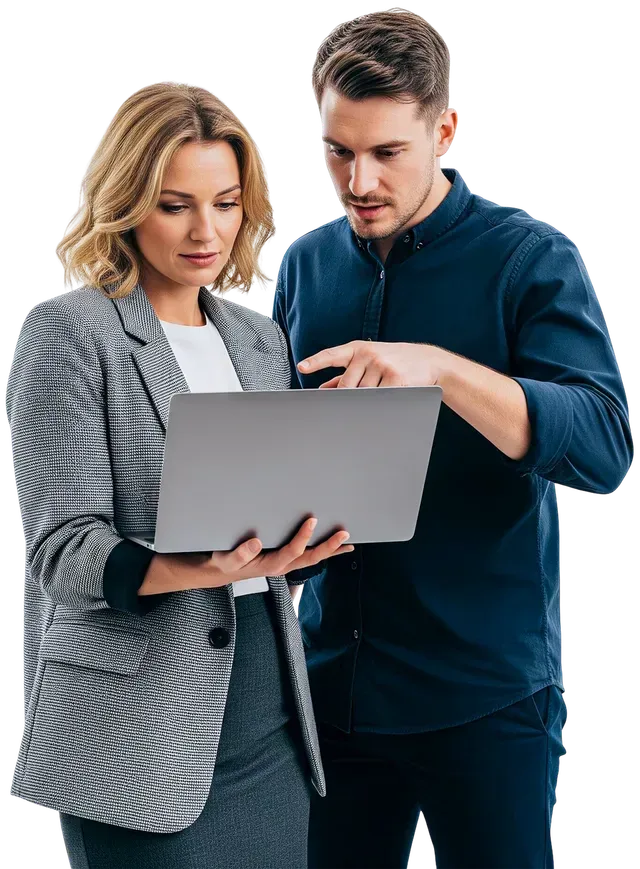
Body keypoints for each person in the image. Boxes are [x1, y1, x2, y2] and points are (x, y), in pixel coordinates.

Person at [270, 9, 634, 869]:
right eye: (337, 150)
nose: (357, 180)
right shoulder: (304, 266)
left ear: (446, 131)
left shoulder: (531, 260)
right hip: (330, 688)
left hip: (485, 699)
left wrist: (437, 368)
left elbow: (603, 446)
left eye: (386, 153)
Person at [5, 80, 355, 869]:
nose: (208, 231)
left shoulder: (258, 338)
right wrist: (193, 565)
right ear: (127, 202)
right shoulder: (71, 332)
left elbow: (264, 515)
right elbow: (61, 548)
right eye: (175, 205)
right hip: (135, 716)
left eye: (227, 203)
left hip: (265, 696)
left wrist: (296, 546)